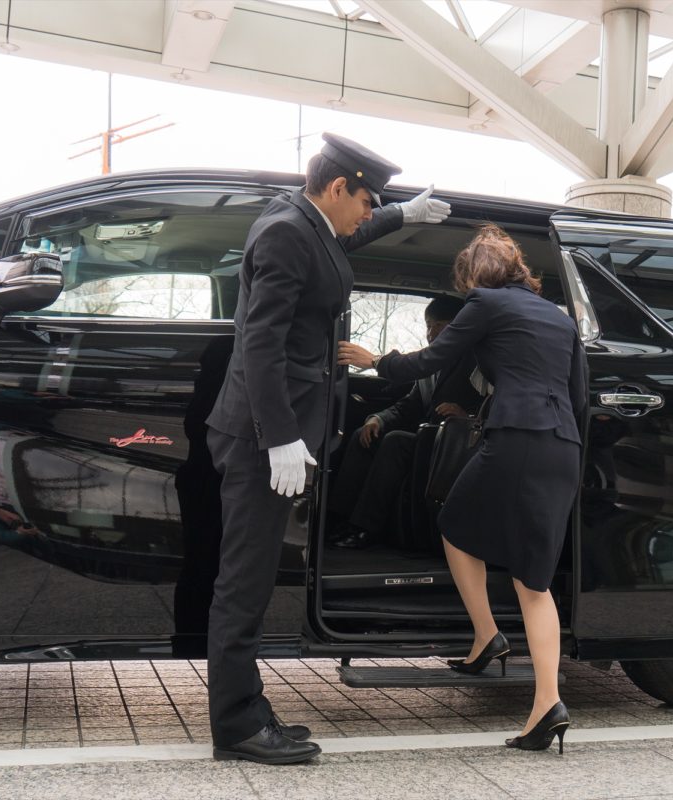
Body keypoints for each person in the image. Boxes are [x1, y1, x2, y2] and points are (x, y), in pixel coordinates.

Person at [204, 133, 451, 765]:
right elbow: (259, 342)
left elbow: (342, 243)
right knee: (245, 581)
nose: (368, 213)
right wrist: (280, 435)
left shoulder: (304, 221)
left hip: (278, 429)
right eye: (368, 200)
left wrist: (403, 214)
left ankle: (247, 709)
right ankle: (235, 726)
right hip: (264, 437)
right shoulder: (288, 232)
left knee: (253, 578)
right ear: (338, 187)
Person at [338, 225, 587, 754]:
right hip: (563, 445)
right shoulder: (560, 319)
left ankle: (486, 635)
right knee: (533, 579)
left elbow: (432, 360)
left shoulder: (486, 303)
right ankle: (548, 701)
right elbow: (579, 396)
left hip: (516, 439)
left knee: (453, 524)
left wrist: (373, 361)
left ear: (477, 274)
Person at [328, 295, 481, 549]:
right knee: (363, 435)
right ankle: (338, 518)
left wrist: (467, 414)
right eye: (428, 325)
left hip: (453, 446)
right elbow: (409, 406)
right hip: (426, 440)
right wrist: (378, 418)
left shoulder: (476, 360)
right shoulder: (429, 363)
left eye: (439, 326)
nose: (431, 333)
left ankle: (365, 527)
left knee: (396, 441)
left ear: (456, 328)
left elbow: (495, 400)